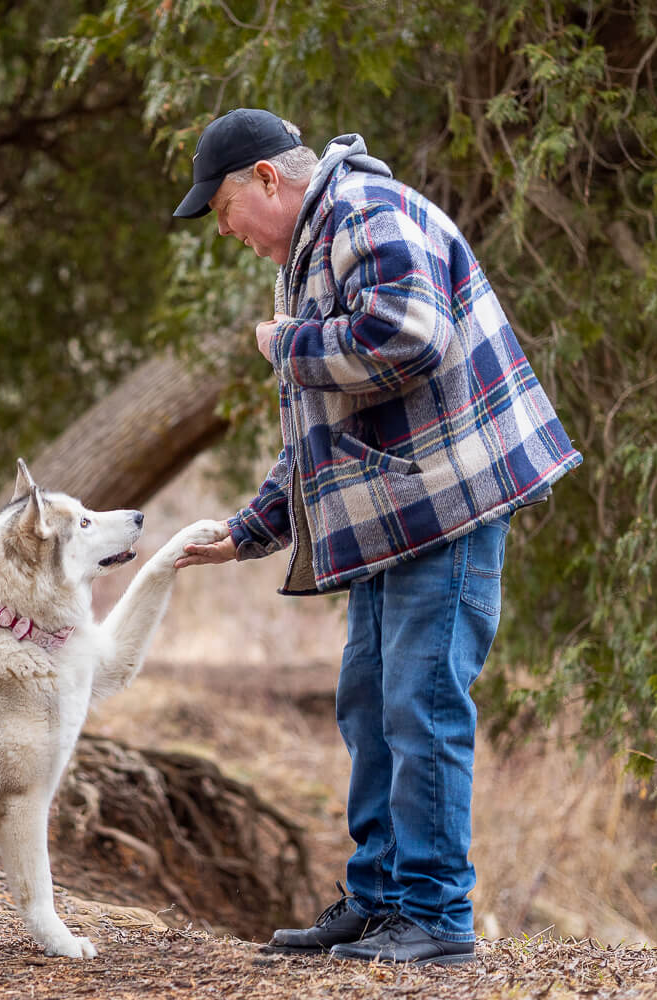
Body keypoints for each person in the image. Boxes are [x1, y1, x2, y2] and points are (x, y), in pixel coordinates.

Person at [170, 108, 582, 966]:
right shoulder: (320, 244)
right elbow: (322, 431)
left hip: (449, 505)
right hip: (395, 516)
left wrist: (287, 344)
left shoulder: (365, 212)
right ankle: (380, 899)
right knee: (368, 700)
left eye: (222, 211)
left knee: (421, 706)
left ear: (267, 182)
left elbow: (408, 336)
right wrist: (247, 532)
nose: (230, 232)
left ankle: (434, 918)